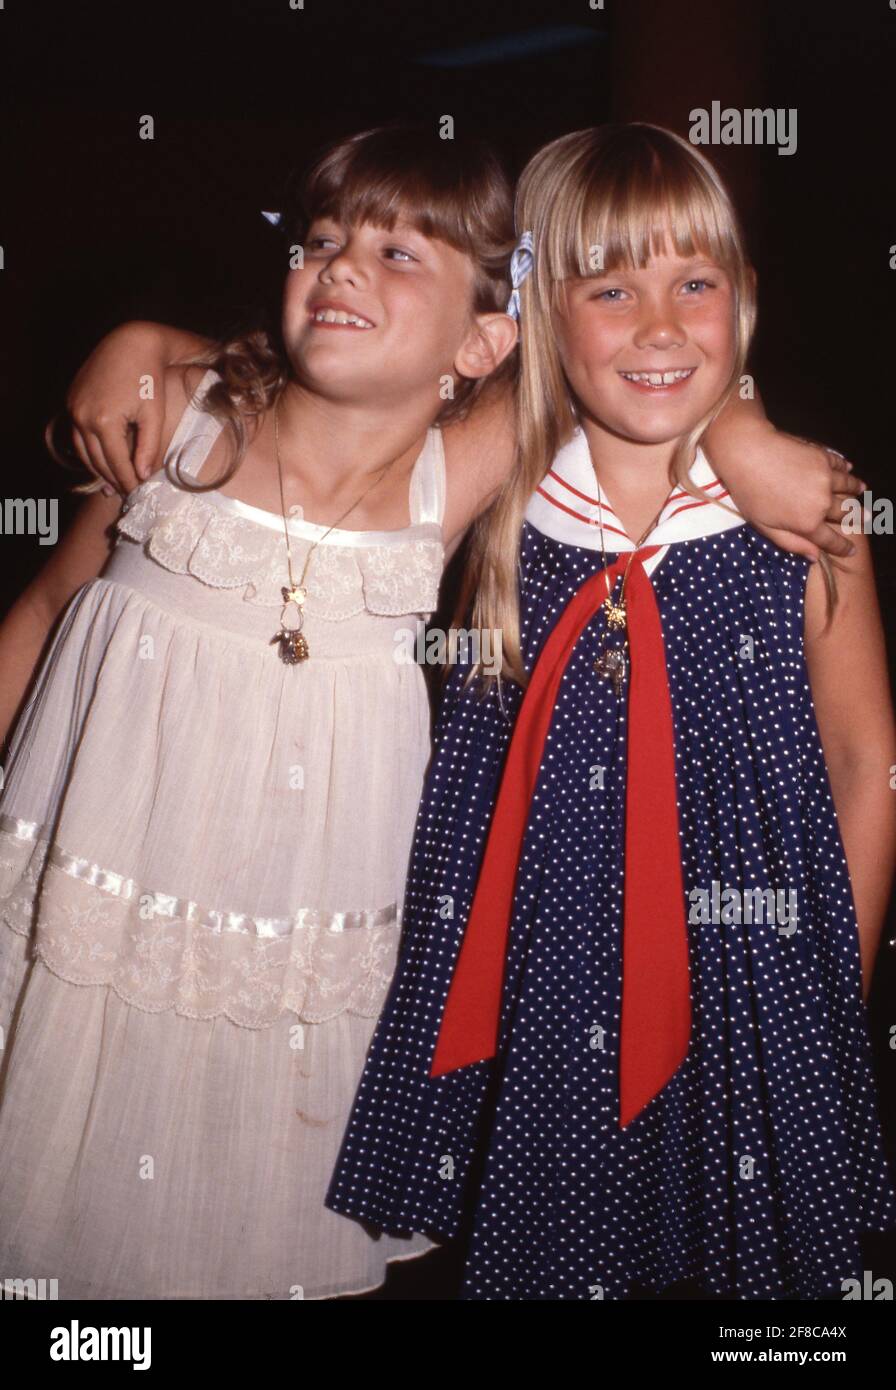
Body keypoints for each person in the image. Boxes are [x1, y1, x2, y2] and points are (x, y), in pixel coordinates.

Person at [322, 124, 896, 1301]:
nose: (657, 325)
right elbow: (317, 432)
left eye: (694, 283)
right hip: (546, 979)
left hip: (751, 972)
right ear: (542, 312)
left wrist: (830, 982)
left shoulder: (803, 510)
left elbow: (862, 757)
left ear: (742, 299)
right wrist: (153, 352)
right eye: (609, 287)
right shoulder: (501, 506)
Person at [0, 122, 523, 1300]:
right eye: (325, 239)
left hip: (269, 978)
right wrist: (145, 348)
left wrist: (746, 434)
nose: (340, 266)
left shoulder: (451, 482)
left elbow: (628, 368)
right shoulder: (174, 429)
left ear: (485, 339)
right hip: (81, 918)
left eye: (401, 256)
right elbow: (38, 618)